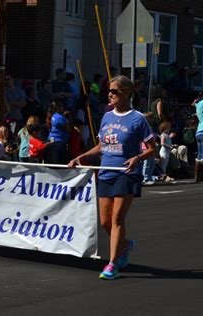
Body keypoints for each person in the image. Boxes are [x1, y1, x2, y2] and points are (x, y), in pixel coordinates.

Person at [68, 75, 155, 280]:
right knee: (105, 221)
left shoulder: (137, 119)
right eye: (109, 90)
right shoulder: (107, 116)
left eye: (114, 91)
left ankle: (112, 263)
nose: (109, 94)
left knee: (117, 218)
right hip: (106, 172)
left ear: (126, 92)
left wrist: (138, 157)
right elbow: (101, 146)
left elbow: (152, 148)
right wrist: (81, 156)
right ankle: (124, 245)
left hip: (127, 174)